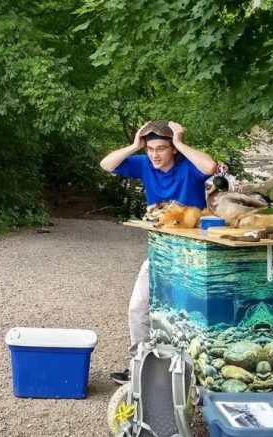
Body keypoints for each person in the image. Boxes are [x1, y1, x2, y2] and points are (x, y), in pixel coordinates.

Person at [100, 120, 216, 384]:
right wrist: (134, 145)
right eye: (151, 148)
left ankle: (193, 376)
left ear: (172, 149)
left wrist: (181, 143)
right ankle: (138, 368)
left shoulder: (188, 167)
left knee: (189, 314)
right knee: (138, 307)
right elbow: (106, 165)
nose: (154, 154)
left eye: (161, 148)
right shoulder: (143, 165)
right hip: (160, 250)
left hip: (192, 253)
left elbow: (210, 167)